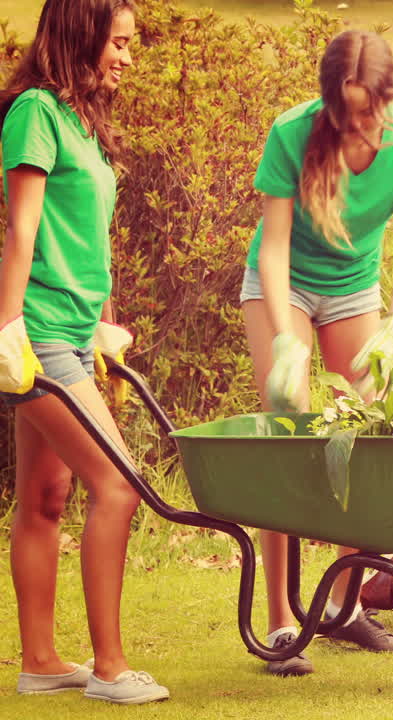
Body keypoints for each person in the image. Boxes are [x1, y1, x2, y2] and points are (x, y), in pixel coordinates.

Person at [242, 29, 393, 675]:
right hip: (284, 284)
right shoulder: (293, 132)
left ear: (388, 96)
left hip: (356, 289)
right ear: (329, 100)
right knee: (285, 432)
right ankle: (277, 622)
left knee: (367, 437)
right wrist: (281, 338)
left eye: (370, 109)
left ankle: (346, 606)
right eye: (348, 111)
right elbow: (272, 248)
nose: (361, 124)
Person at [0, 0, 170, 704]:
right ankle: (109, 668)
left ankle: (39, 660)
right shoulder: (34, 113)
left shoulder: (84, 122)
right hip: (35, 333)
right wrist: (8, 326)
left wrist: (104, 324)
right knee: (118, 485)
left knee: (47, 493)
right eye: (119, 44)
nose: (127, 58)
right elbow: (22, 226)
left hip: (71, 331)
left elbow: (89, 239)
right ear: (82, 37)